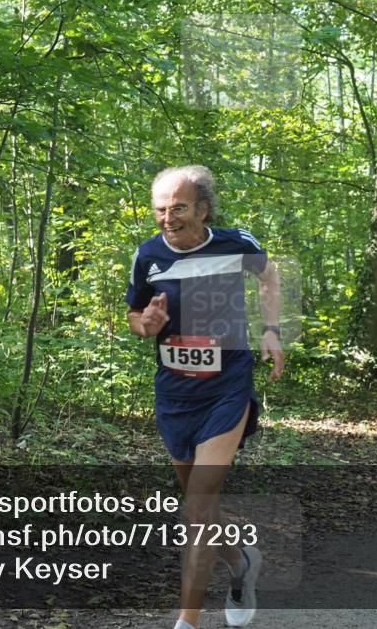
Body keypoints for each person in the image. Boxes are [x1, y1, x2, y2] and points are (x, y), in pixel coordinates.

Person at [125, 165, 284, 629]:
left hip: (226, 388)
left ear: (203, 209)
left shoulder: (236, 244)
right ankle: (242, 563)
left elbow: (270, 278)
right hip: (175, 393)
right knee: (200, 504)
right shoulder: (149, 255)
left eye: (178, 207)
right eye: (159, 209)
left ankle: (187, 621)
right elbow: (135, 315)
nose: (167, 218)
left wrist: (271, 330)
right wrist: (146, 325)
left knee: (197, 505)